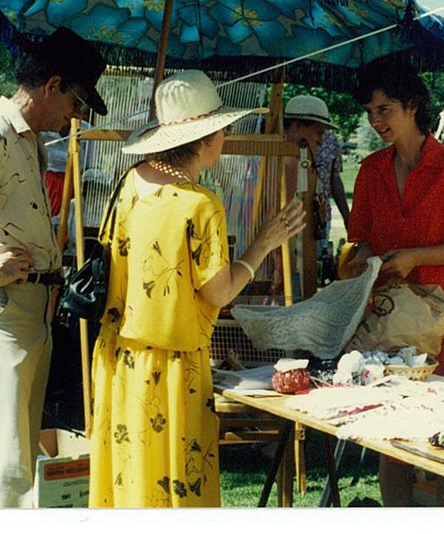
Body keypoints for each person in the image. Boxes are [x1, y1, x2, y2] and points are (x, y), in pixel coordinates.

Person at [88, 70, 305, 507]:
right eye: (222, 128)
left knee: (129, 489)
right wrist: (264, 242)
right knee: (175, 495)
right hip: (171, 369)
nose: (226, 136)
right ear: (204, 138)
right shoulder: (199, 204)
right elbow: (218, 293)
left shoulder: (128, 184)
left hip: (119, 358)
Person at [0, 27, 109, 507]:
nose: (76, 115)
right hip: (1, 308)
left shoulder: (29, 140)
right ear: (51, 85)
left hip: (29, 309)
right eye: (77, 102)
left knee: (17, 453)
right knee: (6, 457)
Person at [344, 57, 444, 506]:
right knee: (392, 432)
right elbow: (361, 240)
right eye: (370, 111)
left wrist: (415, 257)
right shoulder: (371, 171)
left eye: (384, 109)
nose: (375, 121)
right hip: (393, 318)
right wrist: (363, 260)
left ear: (412, 106)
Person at [271, 94, 337, 294]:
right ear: (298, 126)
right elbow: (277, 215)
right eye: (317, 132)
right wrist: (281, 260)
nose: (320, 140)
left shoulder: (294, 158)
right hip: (289, 252)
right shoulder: (289, 161)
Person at [316, 128, 351, 245]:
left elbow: (335, 179)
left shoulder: (331, 139)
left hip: (321, 217)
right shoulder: (284, 139)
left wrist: (347, 217)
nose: (320, 140)